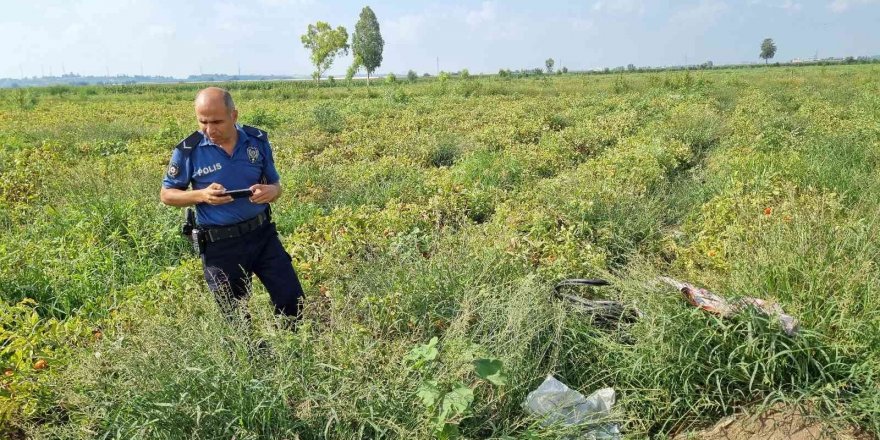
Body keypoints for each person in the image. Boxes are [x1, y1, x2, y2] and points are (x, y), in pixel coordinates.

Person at [160, 87, 303, 327]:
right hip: (220, 245)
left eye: (217, 121)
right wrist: (202, 195)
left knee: (291, 298)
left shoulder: (256, 141)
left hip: (262, 235)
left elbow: (275, 185)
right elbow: (167, 195)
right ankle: (251, 359)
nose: (209, 129)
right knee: (236, 314)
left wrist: (273, 191)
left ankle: (292, 350)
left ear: (234, 116)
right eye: (203, 121)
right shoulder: (189, 150)